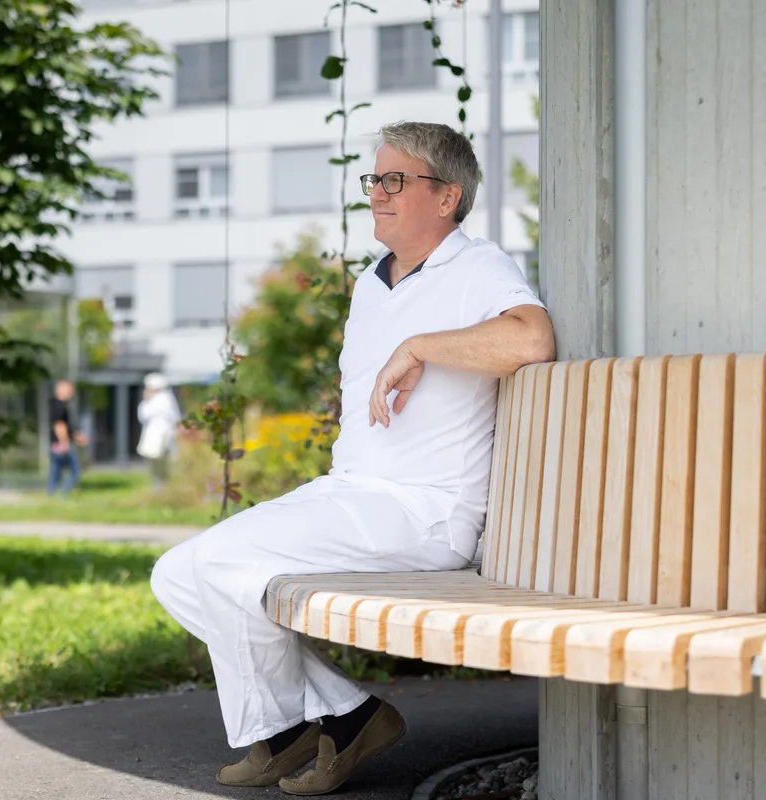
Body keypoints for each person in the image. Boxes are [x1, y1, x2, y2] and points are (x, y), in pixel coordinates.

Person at [150, 121, 555, 796]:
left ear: (447, 197)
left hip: (422, 510)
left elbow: (532, 339)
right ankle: (335, 714)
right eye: (375, 179)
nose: (378, 193)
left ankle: (306, 725)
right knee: (177, 574)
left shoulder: (478, 267)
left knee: (221, 564)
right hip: (354, 493)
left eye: (396, 180)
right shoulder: (374, 284)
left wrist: (423, 345)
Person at [136, 373, 181, 492]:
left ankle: (164, 488)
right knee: (154, 465)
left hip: (165, 437)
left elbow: (173, 418)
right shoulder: (149, 401)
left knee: (165, 465)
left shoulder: (164, 398)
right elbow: (143, 416)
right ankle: (159, 487)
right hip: (152, 437)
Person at [47, 380, 88, 496]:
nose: (72, 393)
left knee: (56, 471)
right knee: (75, 470)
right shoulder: (59, 406)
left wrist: (76, 437)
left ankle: (51, 494)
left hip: (56, 444)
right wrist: (64, 442)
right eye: (70, 390)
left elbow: (66, 427)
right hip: (61, 444)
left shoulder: (56, 404)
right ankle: (63, 494)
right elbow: (60, 425)